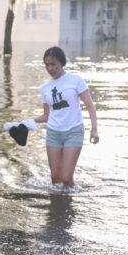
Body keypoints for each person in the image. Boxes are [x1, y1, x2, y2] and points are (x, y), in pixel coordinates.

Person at [33, 46, 99, 187]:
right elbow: (46, 115)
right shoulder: (45, 87)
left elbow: (90, 105)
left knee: (66, 177)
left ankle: (69, 205)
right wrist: (28, 121)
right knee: (55, 178)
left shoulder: (76, 80)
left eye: (53, 64)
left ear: (61, 62)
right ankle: (58, 207)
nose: (50, 68)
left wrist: (94, 129)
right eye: (47, 64)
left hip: (73, 131)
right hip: (53, 133)